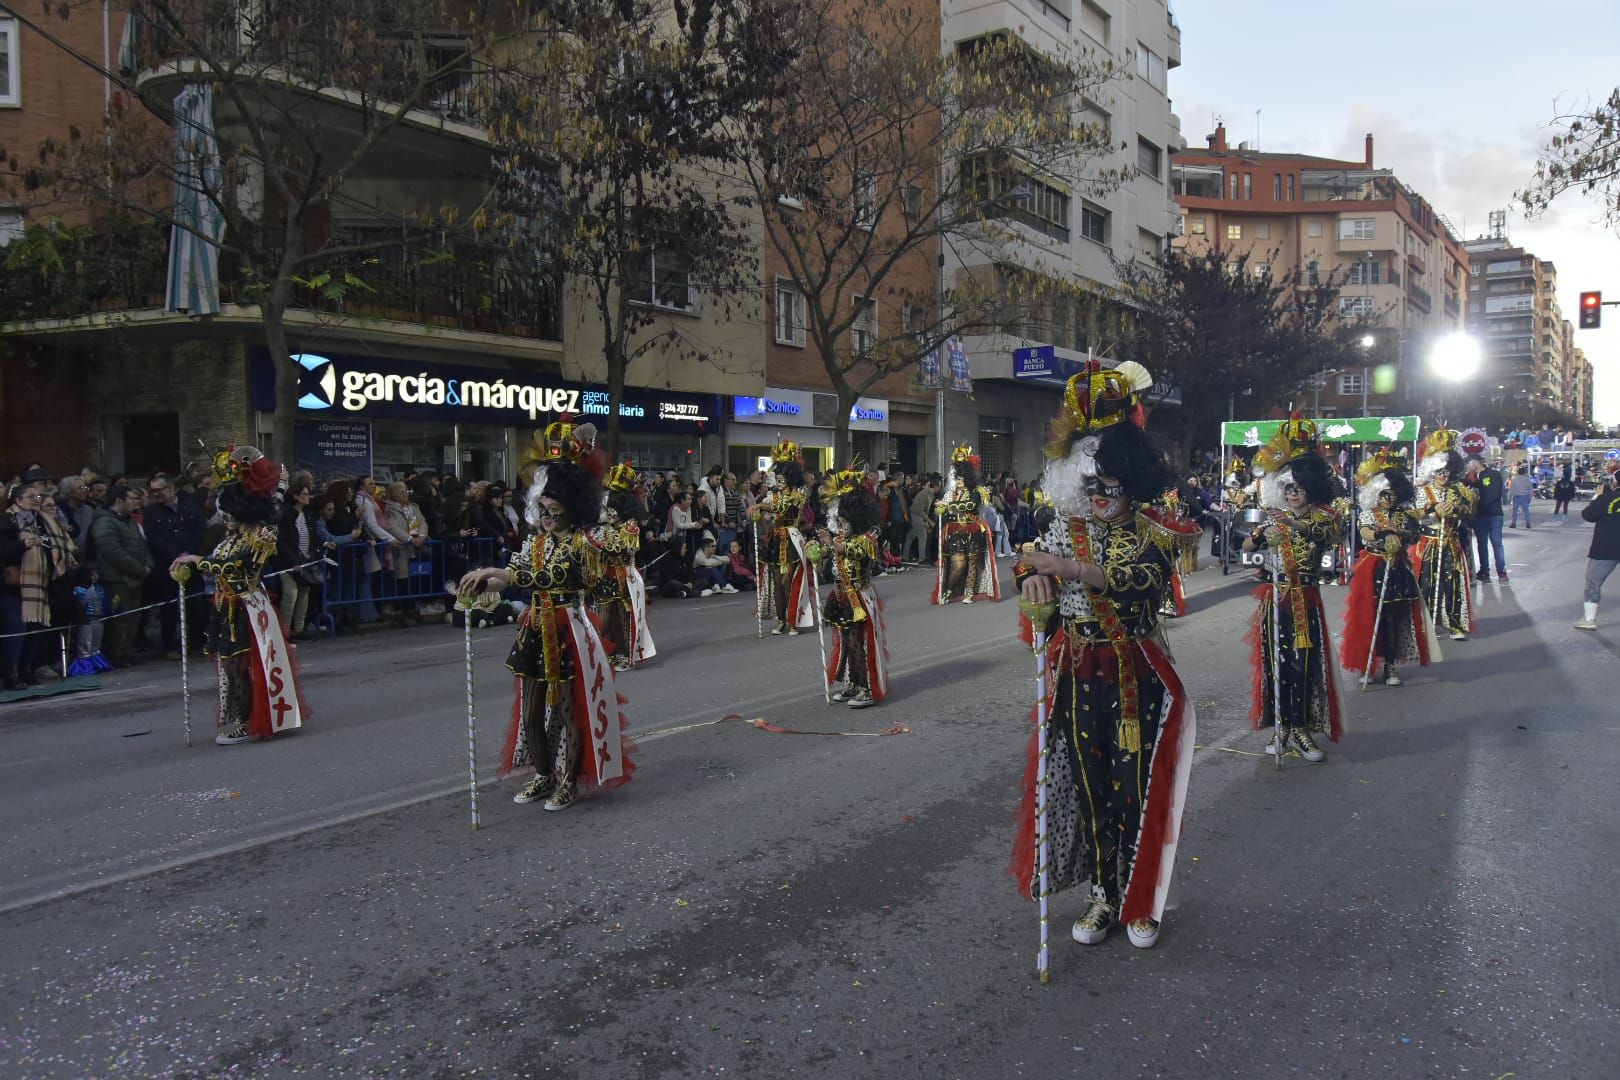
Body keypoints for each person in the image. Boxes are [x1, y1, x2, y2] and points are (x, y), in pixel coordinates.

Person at [1011, 359, 1197, 951]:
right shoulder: (1067, 527)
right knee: (1090, 783)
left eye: (1110, 486)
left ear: (1132, 479)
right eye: (1091, 487)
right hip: (1078, 670)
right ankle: (1103, 891)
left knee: (1135, 783)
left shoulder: (1154, 532)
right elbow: (1031, 561)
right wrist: (1030, 582)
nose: (1099, 498)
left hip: (1134, 672)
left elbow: (1139, 579)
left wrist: (1065, 570)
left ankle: (1143, 899)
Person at [458, 420, 634, 811]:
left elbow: (606, 567)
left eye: (555, 511)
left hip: (569, 629)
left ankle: (568, 781)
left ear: (572, 508)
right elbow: (514, 576)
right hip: (535, 628)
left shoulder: (583, 542)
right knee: (532, 707)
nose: (549, 519)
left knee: (570, 708)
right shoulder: (534, 542)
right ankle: (542, 774)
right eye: (544, 511)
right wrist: (479, 584)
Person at [169, 447, 308, 745]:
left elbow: (232, 566)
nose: (224, 517)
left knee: (240, 667)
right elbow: (215, 564)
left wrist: (197, 561)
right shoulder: (231, 537)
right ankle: (241, 718)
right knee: (229, 668)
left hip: (246, 607)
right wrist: (187, 565)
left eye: (228, 512)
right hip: (226, 607)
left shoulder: (259, 536)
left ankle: (246, 722)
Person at [1241, 418, 1345, 762]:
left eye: (1299, 488)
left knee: (1302, 664)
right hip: (1274, 600)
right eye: (1288, 489)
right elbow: (1245, 550)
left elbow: (1319, 535)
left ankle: (1301, 729)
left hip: (1304, 600)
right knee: (1276, 665)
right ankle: (1281, 728)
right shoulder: (1273, 518)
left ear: (1311, 489)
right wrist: (1256, 539)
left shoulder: (1324, 517)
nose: (1294, 494)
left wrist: (1287, 524)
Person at [1341, 449, 1430, 687]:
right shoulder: (1369, 515)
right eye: (1383, 494)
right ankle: (1366, 664)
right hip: (1373, 568)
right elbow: (1364, 533)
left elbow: (1414, 535)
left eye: (1392, 493)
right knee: (1367, 618)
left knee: (1392, 619)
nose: (1388, 498)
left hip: (1399, 568)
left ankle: (1390, 665)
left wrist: (1399, 533)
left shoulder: (1404, 514)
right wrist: (1382, 532)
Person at [810, 466, 889, 708]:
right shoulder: (842, 538)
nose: (841, 527)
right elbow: (828, 552)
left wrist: (830, 543)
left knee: (856, 642)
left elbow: (847, 551)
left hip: (858, 597)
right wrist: (814, 548)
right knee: (845, 641)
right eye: (839, 523)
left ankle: (865, 687)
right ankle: (852, 684)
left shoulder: (864, 541)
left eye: (845, 523)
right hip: (841, 595)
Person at [2, 469, 79, 688]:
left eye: (38, 498)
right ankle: (11, 674)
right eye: (32, 498)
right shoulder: (9, 520)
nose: (37, 501)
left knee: (35, 631)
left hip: (42, 583)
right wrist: (24, 545)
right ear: (18, 499)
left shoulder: (40, 520)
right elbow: (4, 549)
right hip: (16, 585)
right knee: (16, 632)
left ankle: (27, 670)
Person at [592, 462, 657, 671]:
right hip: (604, 573)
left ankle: (626, 655)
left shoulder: (630, 528)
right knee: (604, 615)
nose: (608, 513)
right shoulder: (603, 527)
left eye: (612, 509)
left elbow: (623, 551)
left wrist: (604, 540)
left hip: (624, 574)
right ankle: (607, 652)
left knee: (623, 615)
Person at [749, 440, 816, 636]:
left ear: (789, 478)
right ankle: (780, 620)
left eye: (782, 478)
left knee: (789, 582)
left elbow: (783, 508)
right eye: (777, 478)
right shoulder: (772, 496)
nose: (778, 481)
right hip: (776, 541)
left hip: (792, 540)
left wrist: (760, 506)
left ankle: (792, 620)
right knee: (777, 583)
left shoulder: (797, 495)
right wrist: (758, 515)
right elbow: (769, 513)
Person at [1414, 430, 1477, 640]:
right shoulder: (1423, 491)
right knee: (1427, 584)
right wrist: (1432, 510)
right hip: (1429, 543)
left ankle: (1455, 624)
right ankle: (1426, 623)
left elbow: (1471, 512)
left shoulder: (1458, 490)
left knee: (1453, 584)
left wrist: (1457, 509)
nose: (1443, 475)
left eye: (1446, 472)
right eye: (1439, 471)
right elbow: (1415, 514)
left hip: (1451, 542)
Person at [89, 483, 153, 668]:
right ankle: (116, 652)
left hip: (136, 578)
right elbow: (112, 550)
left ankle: (127, 650)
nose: (134, 502)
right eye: (130, 498)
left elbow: (142, 545)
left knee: (133, 618)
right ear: (119, 500)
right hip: (116, 579)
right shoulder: (105, 522)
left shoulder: (128, 520)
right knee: (120, 618)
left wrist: (148, 565)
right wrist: (138, 569)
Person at [933, 446, 1000, 604]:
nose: (959, 481)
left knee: (972, 562)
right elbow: (940, 510)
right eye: (957, 478)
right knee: (958, 564)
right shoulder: (951, 492)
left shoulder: (977, 491)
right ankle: (948, 590)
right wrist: (941, 508)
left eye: (962, 478)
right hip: (956, 531)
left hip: (973, 530)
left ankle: (969, 594)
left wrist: (948, 505)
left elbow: (969, 505)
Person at [1574, 470, 1620, 631]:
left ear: (1614, 483)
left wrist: (1596, 497)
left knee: (1593, 582)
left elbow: (1588, 515)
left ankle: (1589, 619)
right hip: (1606, 548)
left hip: (1605, 548)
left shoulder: (1605, 498)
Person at [1465, 456, 1507, 583]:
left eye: (1469, 463)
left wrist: (1479, 504)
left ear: (1476, 462)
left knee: (1496, 544)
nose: (1468, 466)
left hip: (1494, 515)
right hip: (1479, 517)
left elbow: (1494, 494)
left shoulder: (1493, 474)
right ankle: (1484, 571)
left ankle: (1501, 571)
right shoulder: (1471, 478)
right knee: (1482, 544)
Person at [904, 477, 937, 564]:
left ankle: (905, 556)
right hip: (916, 514)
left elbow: (925, 510)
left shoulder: (930, 494)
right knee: (923, 536)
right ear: (936, 487)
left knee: (911, 536)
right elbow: (919, 510)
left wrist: (926, 522)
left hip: (917, 515)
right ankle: (922, 558)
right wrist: (929, 521)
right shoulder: (925, 494)